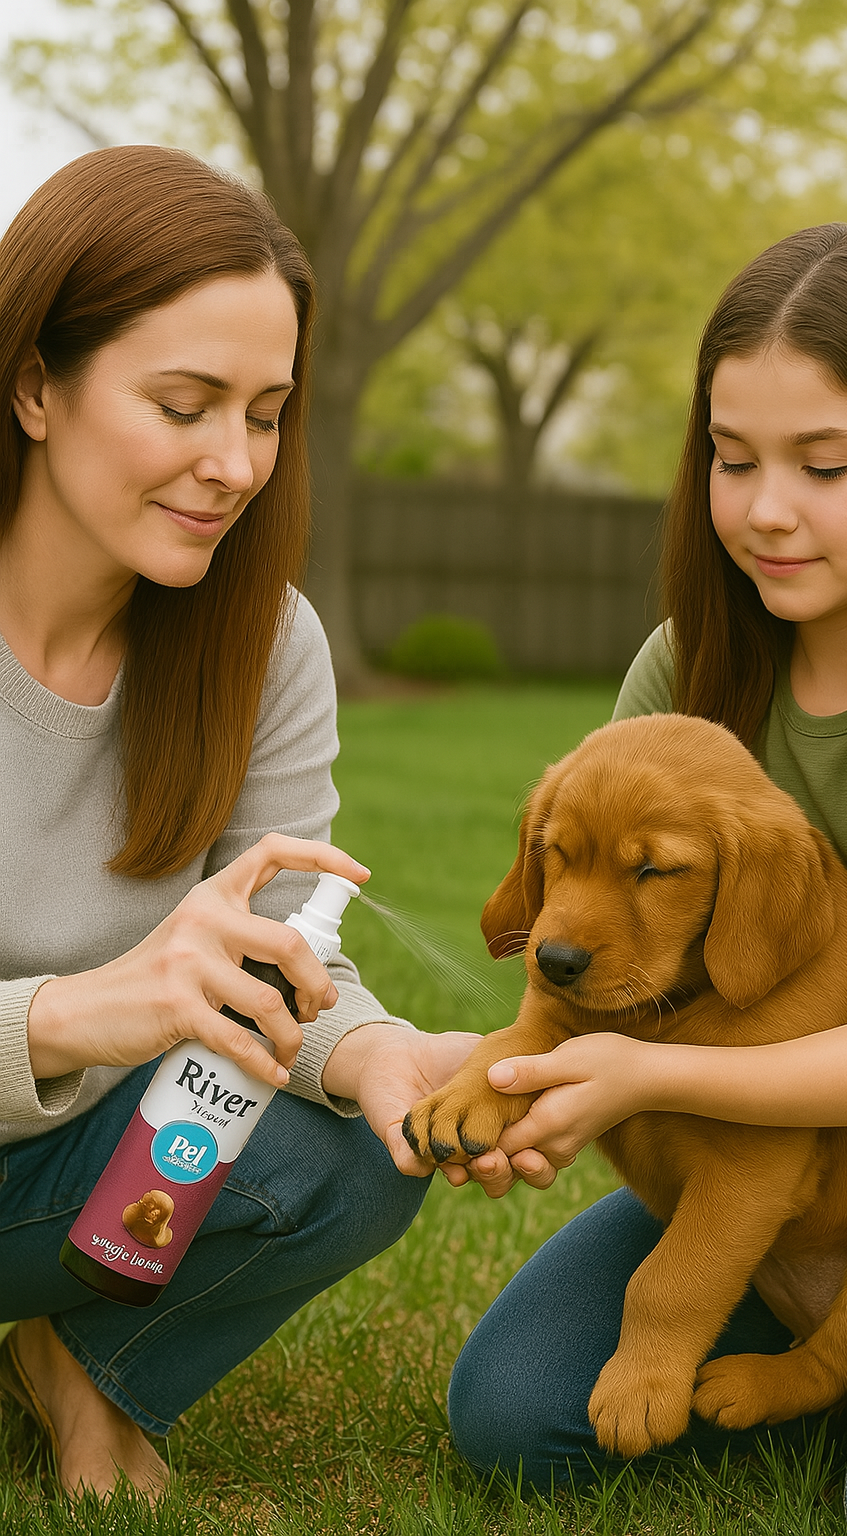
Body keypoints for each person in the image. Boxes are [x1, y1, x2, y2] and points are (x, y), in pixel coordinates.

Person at [446, 221, 847, 1536]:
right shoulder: (691, 664)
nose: (767, 506)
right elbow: (585, 942)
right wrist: (517, 1071)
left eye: (826, 464)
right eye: (732, 456)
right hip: (761, 1165)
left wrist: (637, 1075)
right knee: (518, 1416)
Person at [0, 142, 541, 1503]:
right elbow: (122, 1009)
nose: (234, 464)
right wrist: (74, 1014)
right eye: (183, 405)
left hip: (54, 1173)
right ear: (32, 386)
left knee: (354, 1152)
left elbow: (290, 946)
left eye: (266, 411)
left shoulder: (258, 637)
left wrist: (376, 1059)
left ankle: (91, 1362)